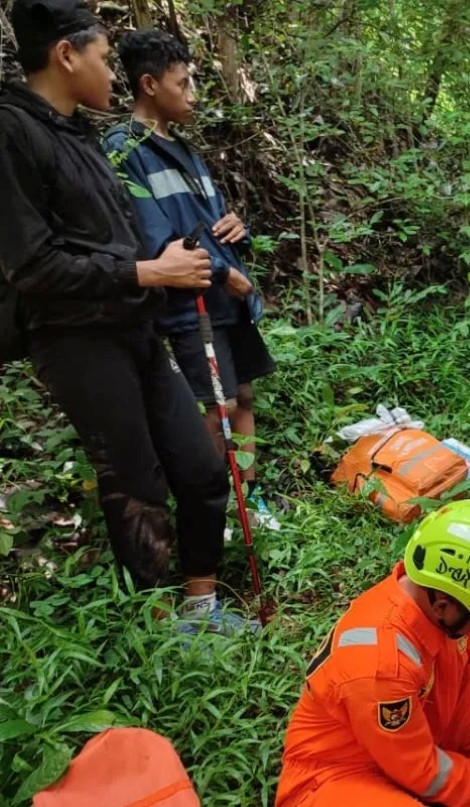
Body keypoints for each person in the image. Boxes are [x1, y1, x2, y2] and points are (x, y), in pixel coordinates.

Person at [0, 0, 246, 634]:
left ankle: (201, 607)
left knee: (200, 466)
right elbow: (31, 266)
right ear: (66, 55)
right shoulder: (12, 132)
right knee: (137, 485)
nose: (112, 73)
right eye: (105, 58)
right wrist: (147, 272)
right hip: (75, 340)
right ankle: (158, 630)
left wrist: (171, 265)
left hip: (136, 327)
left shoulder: (78, 132)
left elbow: (120, 237)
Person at [277, 501, 470, 807]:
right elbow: (420, 769)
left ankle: (456, 791)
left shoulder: (440, 601)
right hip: (336, 779)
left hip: (406, 744)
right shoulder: (382, 666)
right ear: (444, 608)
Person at [105, 29, 278, 521]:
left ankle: (251, 499)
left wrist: (238, 230)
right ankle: (215, 510)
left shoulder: (185, 150)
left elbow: (213, 222)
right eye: (182, 84)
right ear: (149, 84)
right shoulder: (125, 149)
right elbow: (159, 239)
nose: (192, 95)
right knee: (216, 406)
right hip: (192, 302)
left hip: (227, 299)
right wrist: (224, 274)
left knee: (242, 395)